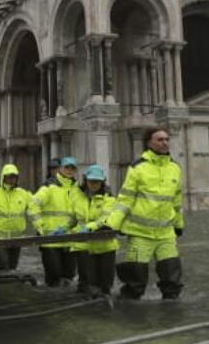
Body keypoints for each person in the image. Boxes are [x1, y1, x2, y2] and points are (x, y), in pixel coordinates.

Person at [105, 128, 185, 300]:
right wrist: (113, 224)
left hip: (166, 234)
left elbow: (176, 201)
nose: (165, 142)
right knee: (135, 283)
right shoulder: (137, 168)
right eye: (160, 139)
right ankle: (129, 315)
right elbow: (125, 199)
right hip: (140, 234)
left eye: (166, 139)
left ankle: (171, 315)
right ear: (149, 142)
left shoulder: (175, 168)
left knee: (172, 281)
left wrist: (179, 225)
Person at [31, 156, 83, 286]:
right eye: (67, 167)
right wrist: (40, 226)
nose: (69, 170)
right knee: (53, 277)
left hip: (70, 240)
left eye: (72, 168)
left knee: (69, 277)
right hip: (50, 242)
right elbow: (33, 204)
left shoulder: (78, 189)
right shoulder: (49, 187)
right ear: (60, 169)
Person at [70, 164, 118, 296]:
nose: (94, 184)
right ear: (85, 180)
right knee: (87, 283)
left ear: (102, 182)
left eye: (97, 181)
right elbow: (72, 218)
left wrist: (90, 227)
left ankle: (105, 307)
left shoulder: (109, 198)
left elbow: (106, 218)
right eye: (91, 181)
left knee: (105, 284)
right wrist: (64, 227)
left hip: (105, 246)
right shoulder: (77, 196)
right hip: (82, 244)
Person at [0, 163, 34, 271]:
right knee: (3, 266)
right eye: (9, 176)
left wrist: (41, 227)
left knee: (13, 267)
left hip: (16, 239)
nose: (12, 179)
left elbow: (34, 210)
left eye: (14, 176)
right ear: (3, 177)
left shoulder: (24, 193)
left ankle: (10, 285)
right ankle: (2, 284)